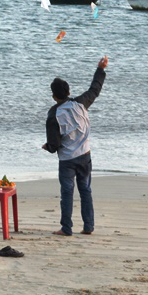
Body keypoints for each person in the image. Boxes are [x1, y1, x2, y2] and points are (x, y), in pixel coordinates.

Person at [42, 57, 108, 236]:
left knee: (67, 192)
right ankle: (88, 226)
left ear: (54, 96)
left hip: (67, 160)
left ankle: (66, 228)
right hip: (85, 155)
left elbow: (54, 145)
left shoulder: (53, 114)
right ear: (69, 91)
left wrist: (47, 146)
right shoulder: (81, 103)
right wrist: (100, 69)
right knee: (85, 189)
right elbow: (95, 89)